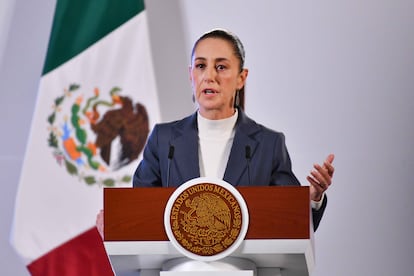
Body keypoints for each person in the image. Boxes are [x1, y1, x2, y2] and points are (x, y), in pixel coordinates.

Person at [97, 29, 334, 235]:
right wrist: (116, 225)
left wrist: (312, 198)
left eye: (221, 67)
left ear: (241, 78)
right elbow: (140, 214)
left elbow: (295, 226)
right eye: (201, 66)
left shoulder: (268, 144)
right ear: (191, 74)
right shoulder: (163, 140)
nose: (209, 76)